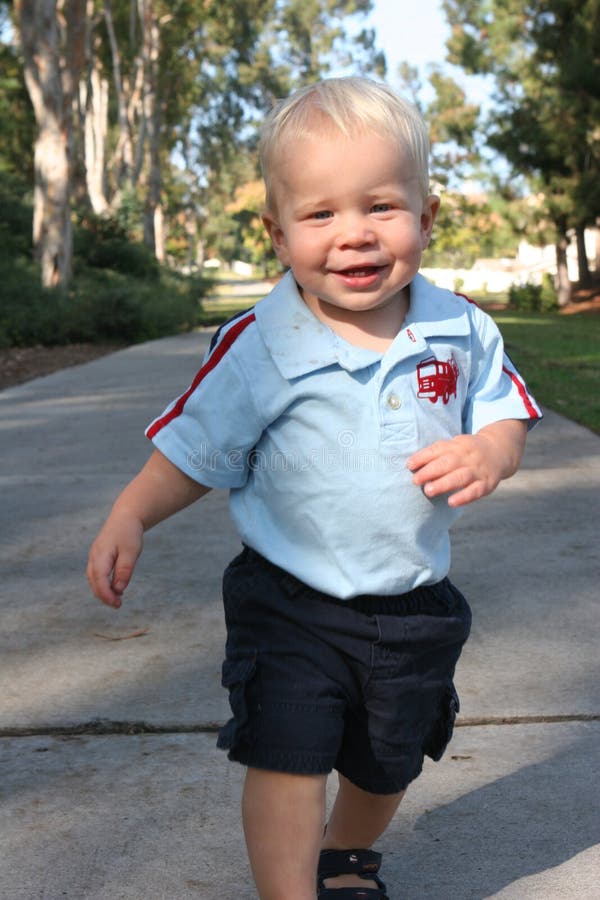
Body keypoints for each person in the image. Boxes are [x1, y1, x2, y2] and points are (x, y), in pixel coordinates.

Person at [87, 77, 541, 900]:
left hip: (411, 600)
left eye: (381, 206)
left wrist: (490, 452)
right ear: (278, 231)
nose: (355, 235)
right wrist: (131, 512)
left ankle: (347, 855)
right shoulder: (260, 343)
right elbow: (194, 447)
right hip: (287, 599)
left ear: (427, 215)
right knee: (286, 754)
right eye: (321, 214)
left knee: (390, 758)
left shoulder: (460, 327)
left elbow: (507, 412)